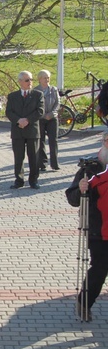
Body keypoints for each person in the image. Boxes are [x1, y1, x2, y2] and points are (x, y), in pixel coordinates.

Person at [65, 134, 108, 321]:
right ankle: (84, 302)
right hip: (98, 230)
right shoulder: (90, 169)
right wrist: (81, 189)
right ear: (104, 144)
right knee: (99, 269)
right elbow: (72, 198)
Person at [6, 70, 45, 189]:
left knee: (33, 157)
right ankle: (19, 180)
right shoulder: (13, 96)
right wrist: (19, 120)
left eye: (31, 80)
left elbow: (40, 111)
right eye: (27, 80)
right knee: (18, 157)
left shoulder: (38, 94)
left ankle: (33, 180)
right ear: (20, 82)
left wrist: (27, 120)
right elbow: (8, 112)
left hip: (32, 130)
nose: (30, 82)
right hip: (18, 131)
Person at [34, 69, 61, 172]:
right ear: (39, 79)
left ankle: (54, 163)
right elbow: (34, 105)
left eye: (48, 77)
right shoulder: (36, 91)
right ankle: (42, 163)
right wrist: (42, 115)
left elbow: (57, 103)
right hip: (40, 119)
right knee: (40, 141)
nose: (47, 80)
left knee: (53, 140)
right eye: (44, 78)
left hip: (52, 118)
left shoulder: (53, 89)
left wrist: (52, 114)